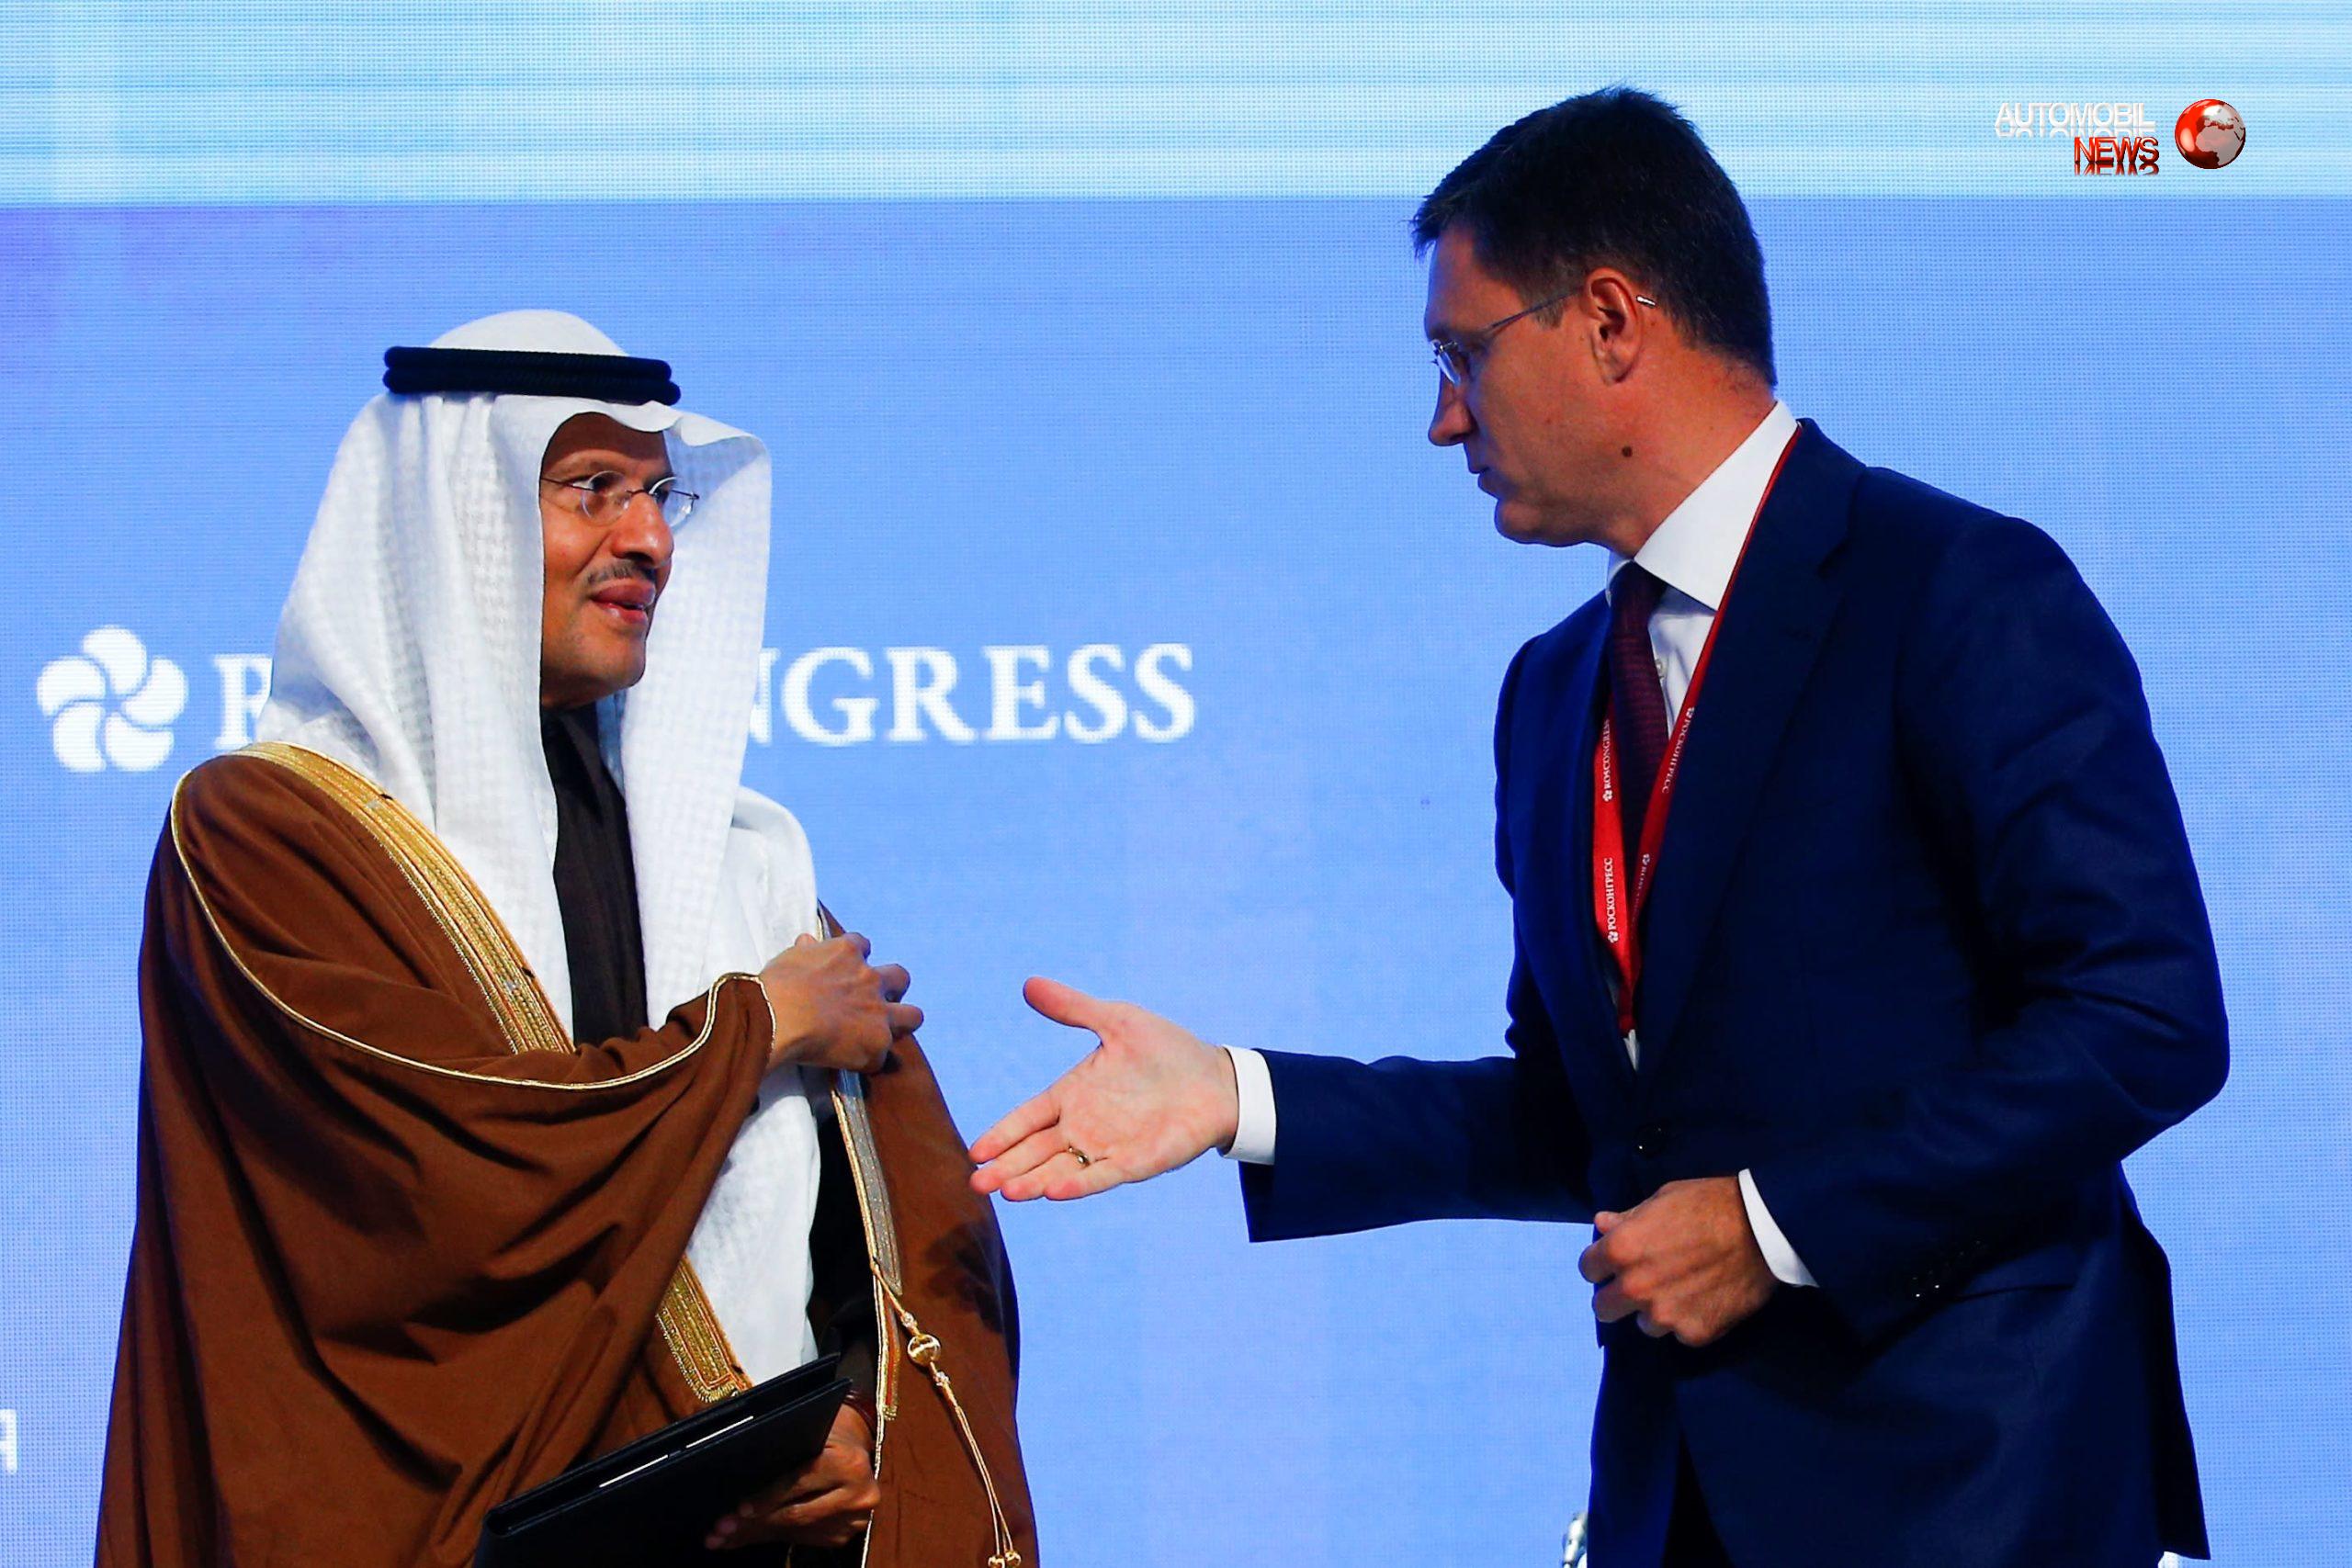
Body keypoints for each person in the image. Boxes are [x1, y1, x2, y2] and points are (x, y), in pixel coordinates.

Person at [969, 89, 2224, 1568]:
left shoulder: (1954, 590)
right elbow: (1590, 1124)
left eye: (1464, 354)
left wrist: (1771, 1225)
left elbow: (2143, 1016)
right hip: (1670, 1499)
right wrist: (1234, 1098)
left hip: (1973, 1488)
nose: (1445, 418)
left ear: (1612, 321)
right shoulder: (1557, 688)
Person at [98, 311, 1035, 1568]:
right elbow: (440, 1183)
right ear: (459, 523)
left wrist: (842, 1420)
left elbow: (882, 1218)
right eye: (591, 489)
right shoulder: (267, 835)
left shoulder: (733, 860)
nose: (648, 539)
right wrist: (754, 1028)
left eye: (659, 496)